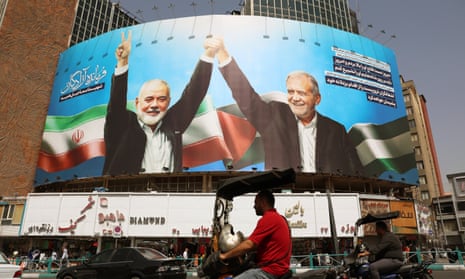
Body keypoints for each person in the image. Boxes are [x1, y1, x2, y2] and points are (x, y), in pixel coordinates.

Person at [213, 37, 364, 175]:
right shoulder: (275, 117)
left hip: (327, 194)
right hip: (286, 194)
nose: (295, 98)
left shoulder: (336, 131)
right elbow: (247, 98)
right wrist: (222, 54)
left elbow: (356, 170)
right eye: (291, 92)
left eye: (302, 93)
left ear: (317, 99)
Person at [102, 31, 218, 175]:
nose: (155, 105)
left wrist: (209, 53)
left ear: (168, 102)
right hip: (127, 193)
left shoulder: (173, 123)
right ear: (137, 102)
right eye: (149, 99)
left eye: (161, 99)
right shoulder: (124, 124)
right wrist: (122, 63)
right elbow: (116, 103)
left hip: (168, 192)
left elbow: (194, 94)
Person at [218, 190, 291, 279]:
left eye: (256, 203)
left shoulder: (269, 218)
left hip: (271, 270)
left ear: (263, 202)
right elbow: (255, 246)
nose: (254, 206)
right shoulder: (278, 218)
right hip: (274, 268)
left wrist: (224, 255)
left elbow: (249, 244)